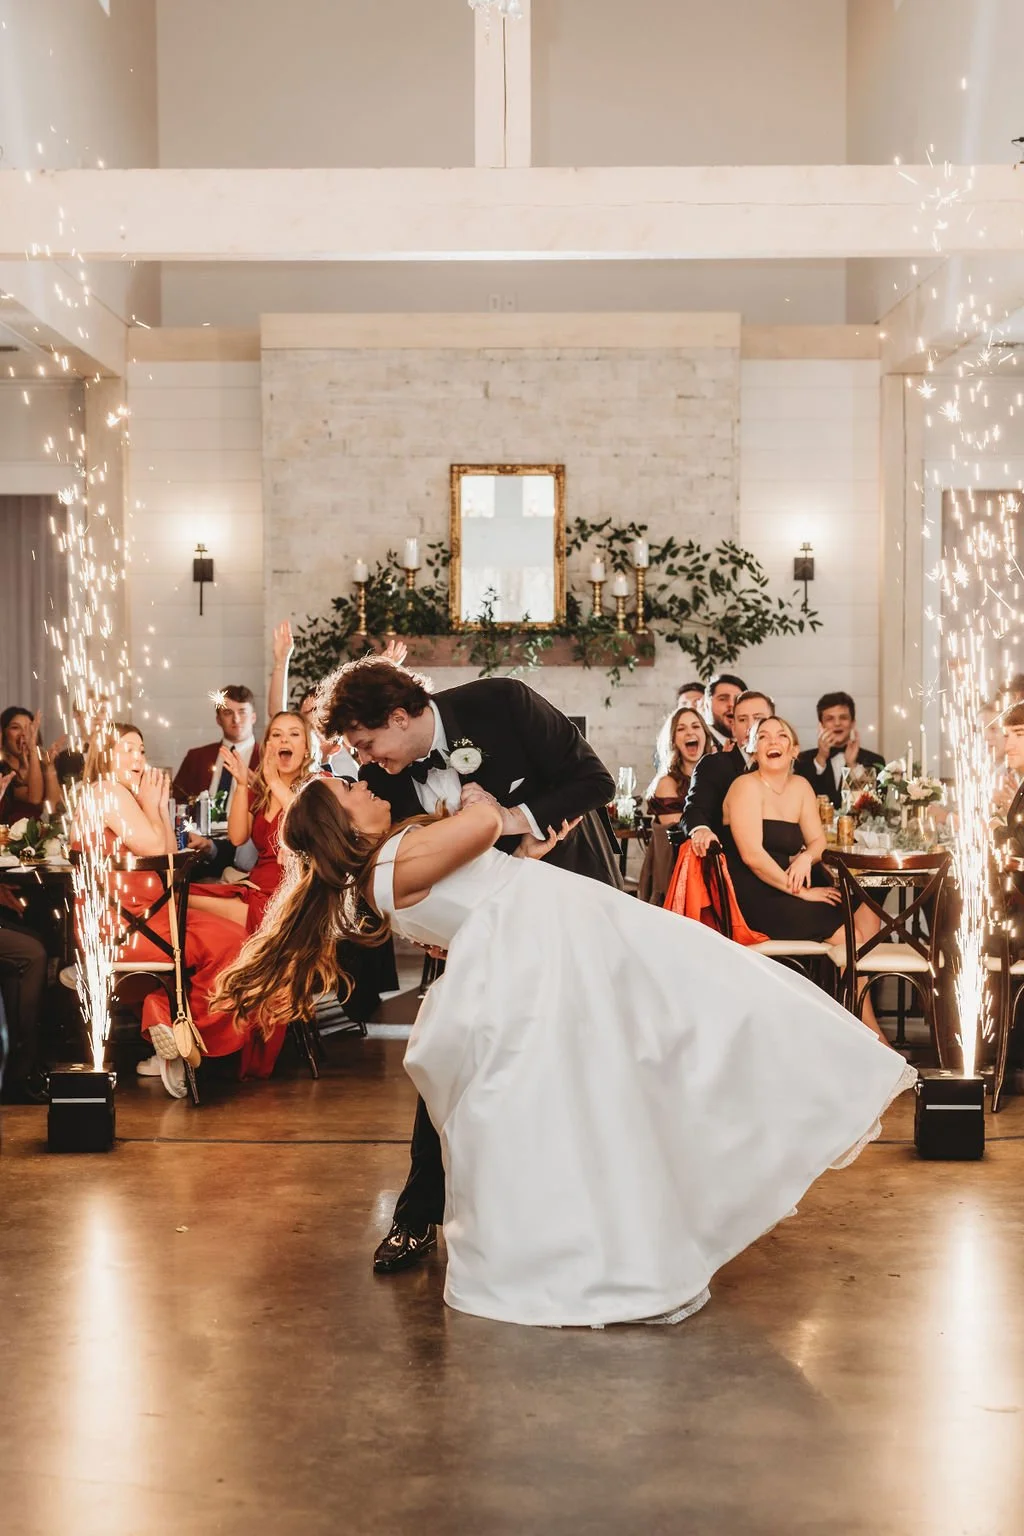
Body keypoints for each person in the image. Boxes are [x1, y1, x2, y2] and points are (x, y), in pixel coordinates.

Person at [214, 778, 915, 1329]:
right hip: (571, 942)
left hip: (565, 934)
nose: (363, 786)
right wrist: (481, 800)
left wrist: (515, 852)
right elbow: (483, 821)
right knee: (707, 1006)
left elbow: (480, 882)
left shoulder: (391, 864)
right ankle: (799, 1101)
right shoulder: (392, 861)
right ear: (341, 825)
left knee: (677, 1032)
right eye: (348, 791)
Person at [317, 657, 621, 1275]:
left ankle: (590, 1213)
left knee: (583, 1061)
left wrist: (513, 819)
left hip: (568, 903)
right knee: (450, 1061)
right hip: (471, 937)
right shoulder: (383, 782)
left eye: (367, 743)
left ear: (398, 718)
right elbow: (405, 864)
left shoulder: (503, 703)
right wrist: (432, 927)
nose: (363, 759)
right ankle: (415, 1217)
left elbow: (595, 782)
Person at [73, 723, 265, 1095]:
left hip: (144, 919)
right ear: (104, 755)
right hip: (122, 929)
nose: (138, 758)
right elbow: (157, 852)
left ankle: (168, 1028)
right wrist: (154, 806)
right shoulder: (107, 792)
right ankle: (173, 1024)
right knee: (235, 944)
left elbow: (169, 858)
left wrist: (158, 807)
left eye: (141, 750)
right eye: (127, 748)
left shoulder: (123, 795)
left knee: (233, 935)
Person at [722, 717, 884, 1039]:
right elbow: (752, 857)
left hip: (788, 886)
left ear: (794, 749)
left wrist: (807, 858)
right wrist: (802, 892)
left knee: (865, 915)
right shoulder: (745, 786)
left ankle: (844, 1023)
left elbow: (818, 841)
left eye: (781, 735)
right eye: (763, 736)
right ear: (753, 750)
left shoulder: (800, 787)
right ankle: (872, 1037)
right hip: (755, 895)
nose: (773, 741)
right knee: (849, 936)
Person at [683, 690, 774, 854]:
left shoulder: (783, 766)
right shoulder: (714, 764)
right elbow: (695, 809)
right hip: (729, 857)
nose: (750, 727)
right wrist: (701, 830)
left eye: (758, 719)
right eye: (742, 719)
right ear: (733, 727)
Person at [172, 685, 261, 807]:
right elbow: (177, 802)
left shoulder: (267, 759)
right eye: (228, 713)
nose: (236, 719)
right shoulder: (196, 758)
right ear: (218, 719)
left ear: (253, 717)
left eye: (242, 712)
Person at [794, 692, 884, 809]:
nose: (837, 723)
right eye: (830, 719)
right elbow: (798, 800)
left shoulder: (875, 761)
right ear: (821, 724)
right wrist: (821, 759)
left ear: (853, 723)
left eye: (843, 718)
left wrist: (852, 766)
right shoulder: (802, 760)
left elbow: (874, 807)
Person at [647, 707, 714, 825]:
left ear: (705, 735)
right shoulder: (667, 783)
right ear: (673, 740)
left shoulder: (715, 777)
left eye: (696, 726)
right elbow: (681, 831)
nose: (690, 732)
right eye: (681, 729)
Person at [0, 706, 63, 819]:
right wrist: (33, 747)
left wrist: (49, 767)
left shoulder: (41, 765)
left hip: (40, 829)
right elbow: (34, 798)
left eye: (29, 728)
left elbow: (54, 807)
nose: (23, 733)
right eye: (15, 728)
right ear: (3, 733)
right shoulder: (3, 771)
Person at [701, 673, 747, 751]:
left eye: (737, 699)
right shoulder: (700, 744)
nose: (732, 704)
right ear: (706, 705)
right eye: (723, 699)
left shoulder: (750, 745)